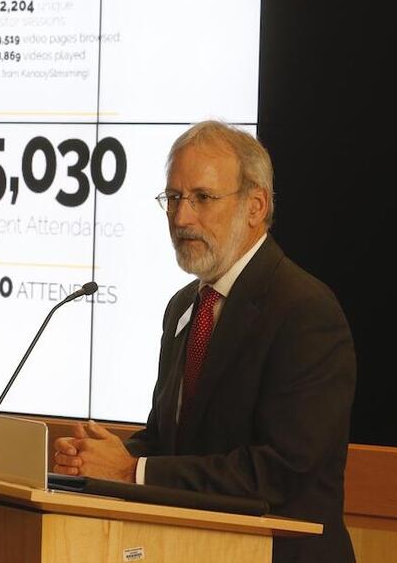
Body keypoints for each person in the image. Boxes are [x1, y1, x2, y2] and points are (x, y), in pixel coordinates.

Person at [53, 120, 357, 563]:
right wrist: (100, 457)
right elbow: (171, 444)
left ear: (255, 206)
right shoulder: (183, 307)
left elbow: (279, 472)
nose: (181, 217)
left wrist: (132, 470)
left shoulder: (305, 311)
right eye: (173, 198)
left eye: (201, 198)